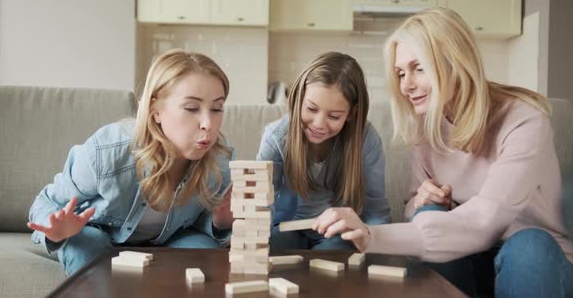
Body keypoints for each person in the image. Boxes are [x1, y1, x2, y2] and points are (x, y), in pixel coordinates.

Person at [311, 7, 573, 297]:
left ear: (456, 63)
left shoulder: (524, 121)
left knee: (529, 245)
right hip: (471, 259)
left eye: (419, 68)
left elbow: (485, 222)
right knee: (430, 211)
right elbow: (414, 206)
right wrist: (422, 200)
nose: (406, 85)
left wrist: (372, 235)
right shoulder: (429, 124)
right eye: (401, 73)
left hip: (539, 264)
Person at [28, 49, 235, 275]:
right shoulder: (107, 152)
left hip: (170, 238)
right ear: (156, 110)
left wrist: (219, 221)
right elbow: (44, 202)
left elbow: (199, 222)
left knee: (207, 252)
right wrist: (55, 231)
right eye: (192, 108)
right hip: (100, 234)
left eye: (217, 108)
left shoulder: (220, 162)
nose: (208, 123)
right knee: (85, 244)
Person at [257, 51, 390, 251]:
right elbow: (261, 201)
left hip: (339, 232)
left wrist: (378, 247)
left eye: (334, 116)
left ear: (352, 113)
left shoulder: (366, 139)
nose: (319, 124)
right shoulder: (276, 137)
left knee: (335, 255)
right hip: (287, 228)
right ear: (298, 99)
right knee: (274, 249)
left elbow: (376, 209)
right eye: (311, 109)